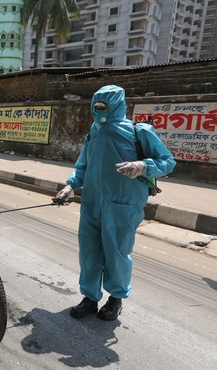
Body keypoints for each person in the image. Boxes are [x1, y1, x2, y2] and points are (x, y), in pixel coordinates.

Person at [55, 85, 176, 321]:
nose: (99, 111)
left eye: (104, 106)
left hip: (123, 205)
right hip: (92, 204)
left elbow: (167, 161)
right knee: (89, 253)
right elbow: (83, 166)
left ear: (117, 106)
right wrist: (70, 186)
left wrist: (143, 166)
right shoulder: (94, 132)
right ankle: (89, 298)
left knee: (117, 254)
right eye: (96, 106)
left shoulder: (138, 131)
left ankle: (115, 299)